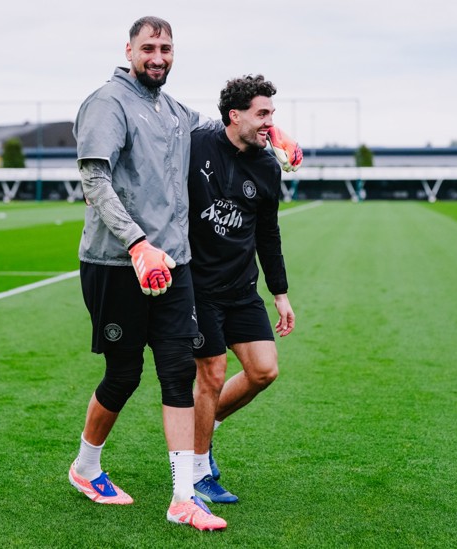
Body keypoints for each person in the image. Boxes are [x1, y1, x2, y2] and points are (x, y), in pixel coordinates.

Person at [68, 15, 230, 531]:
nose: (158, 57)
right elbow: (95, 179)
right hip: (117, 263)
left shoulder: (174, 110)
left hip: (174, 264)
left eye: (166, 48)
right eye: (149, 48)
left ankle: (183, 498)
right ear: (130, 51)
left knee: (178, 371)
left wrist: (269, 131)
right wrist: (138, 244)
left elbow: (219, 128)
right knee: (124, 374)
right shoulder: (108, 103)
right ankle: (85, 468)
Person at [186, 75, 299, 505]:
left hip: (241, 287)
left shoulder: (268, 166)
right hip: (197, 287)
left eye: (272, 113)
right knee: (211, 374)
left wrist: (280, 293)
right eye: (262, 113)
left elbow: (268, 234)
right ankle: (198, 472)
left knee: (263, 370)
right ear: (235, 115)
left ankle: (203, 428)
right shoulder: (196, 145)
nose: (271, 122)